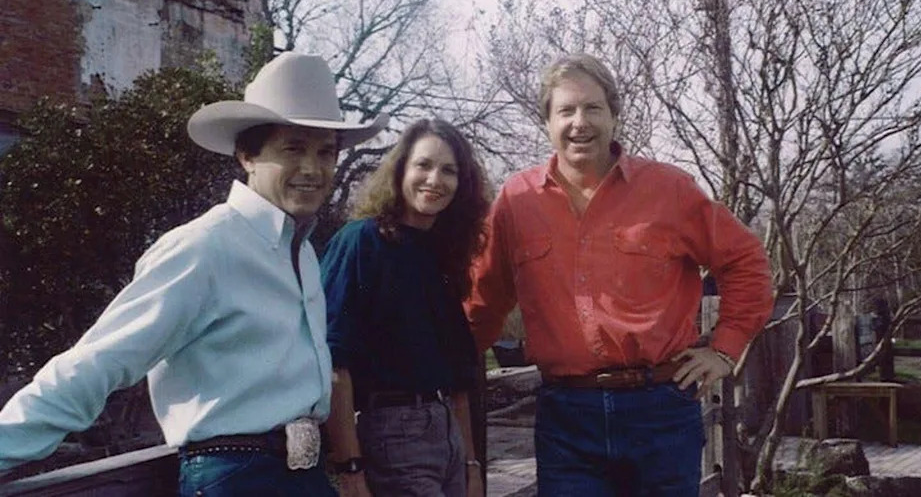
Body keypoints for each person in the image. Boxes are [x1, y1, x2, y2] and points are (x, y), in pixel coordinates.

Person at [0, 52, 387, 496]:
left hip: (304, 476)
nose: (313, 169)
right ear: (247, 155)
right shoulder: (205, 247)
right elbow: (98, 361)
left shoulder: (302, 254)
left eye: (325, 153)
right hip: (236, 480)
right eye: (293, 149)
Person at [465, 53, 773, 496]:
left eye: (592, 108)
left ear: (614, 114)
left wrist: (724, 351)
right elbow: (483, 296)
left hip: (661, 409)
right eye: (565, 110)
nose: (579, 123)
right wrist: (437, 370)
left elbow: (747, 261)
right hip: (567, 417)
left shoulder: (668, 190)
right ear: (547, 122)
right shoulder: (516, 201)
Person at [320, 119, 489, 497]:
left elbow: (459, 379)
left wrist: (471, 467)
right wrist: (350, 468)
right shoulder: (362, 242)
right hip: (392, 433)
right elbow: (332, 364)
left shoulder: (442, 255)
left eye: (449, 171)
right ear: (401, 170)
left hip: (449, 435)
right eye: (424, 165)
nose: (435, 179)